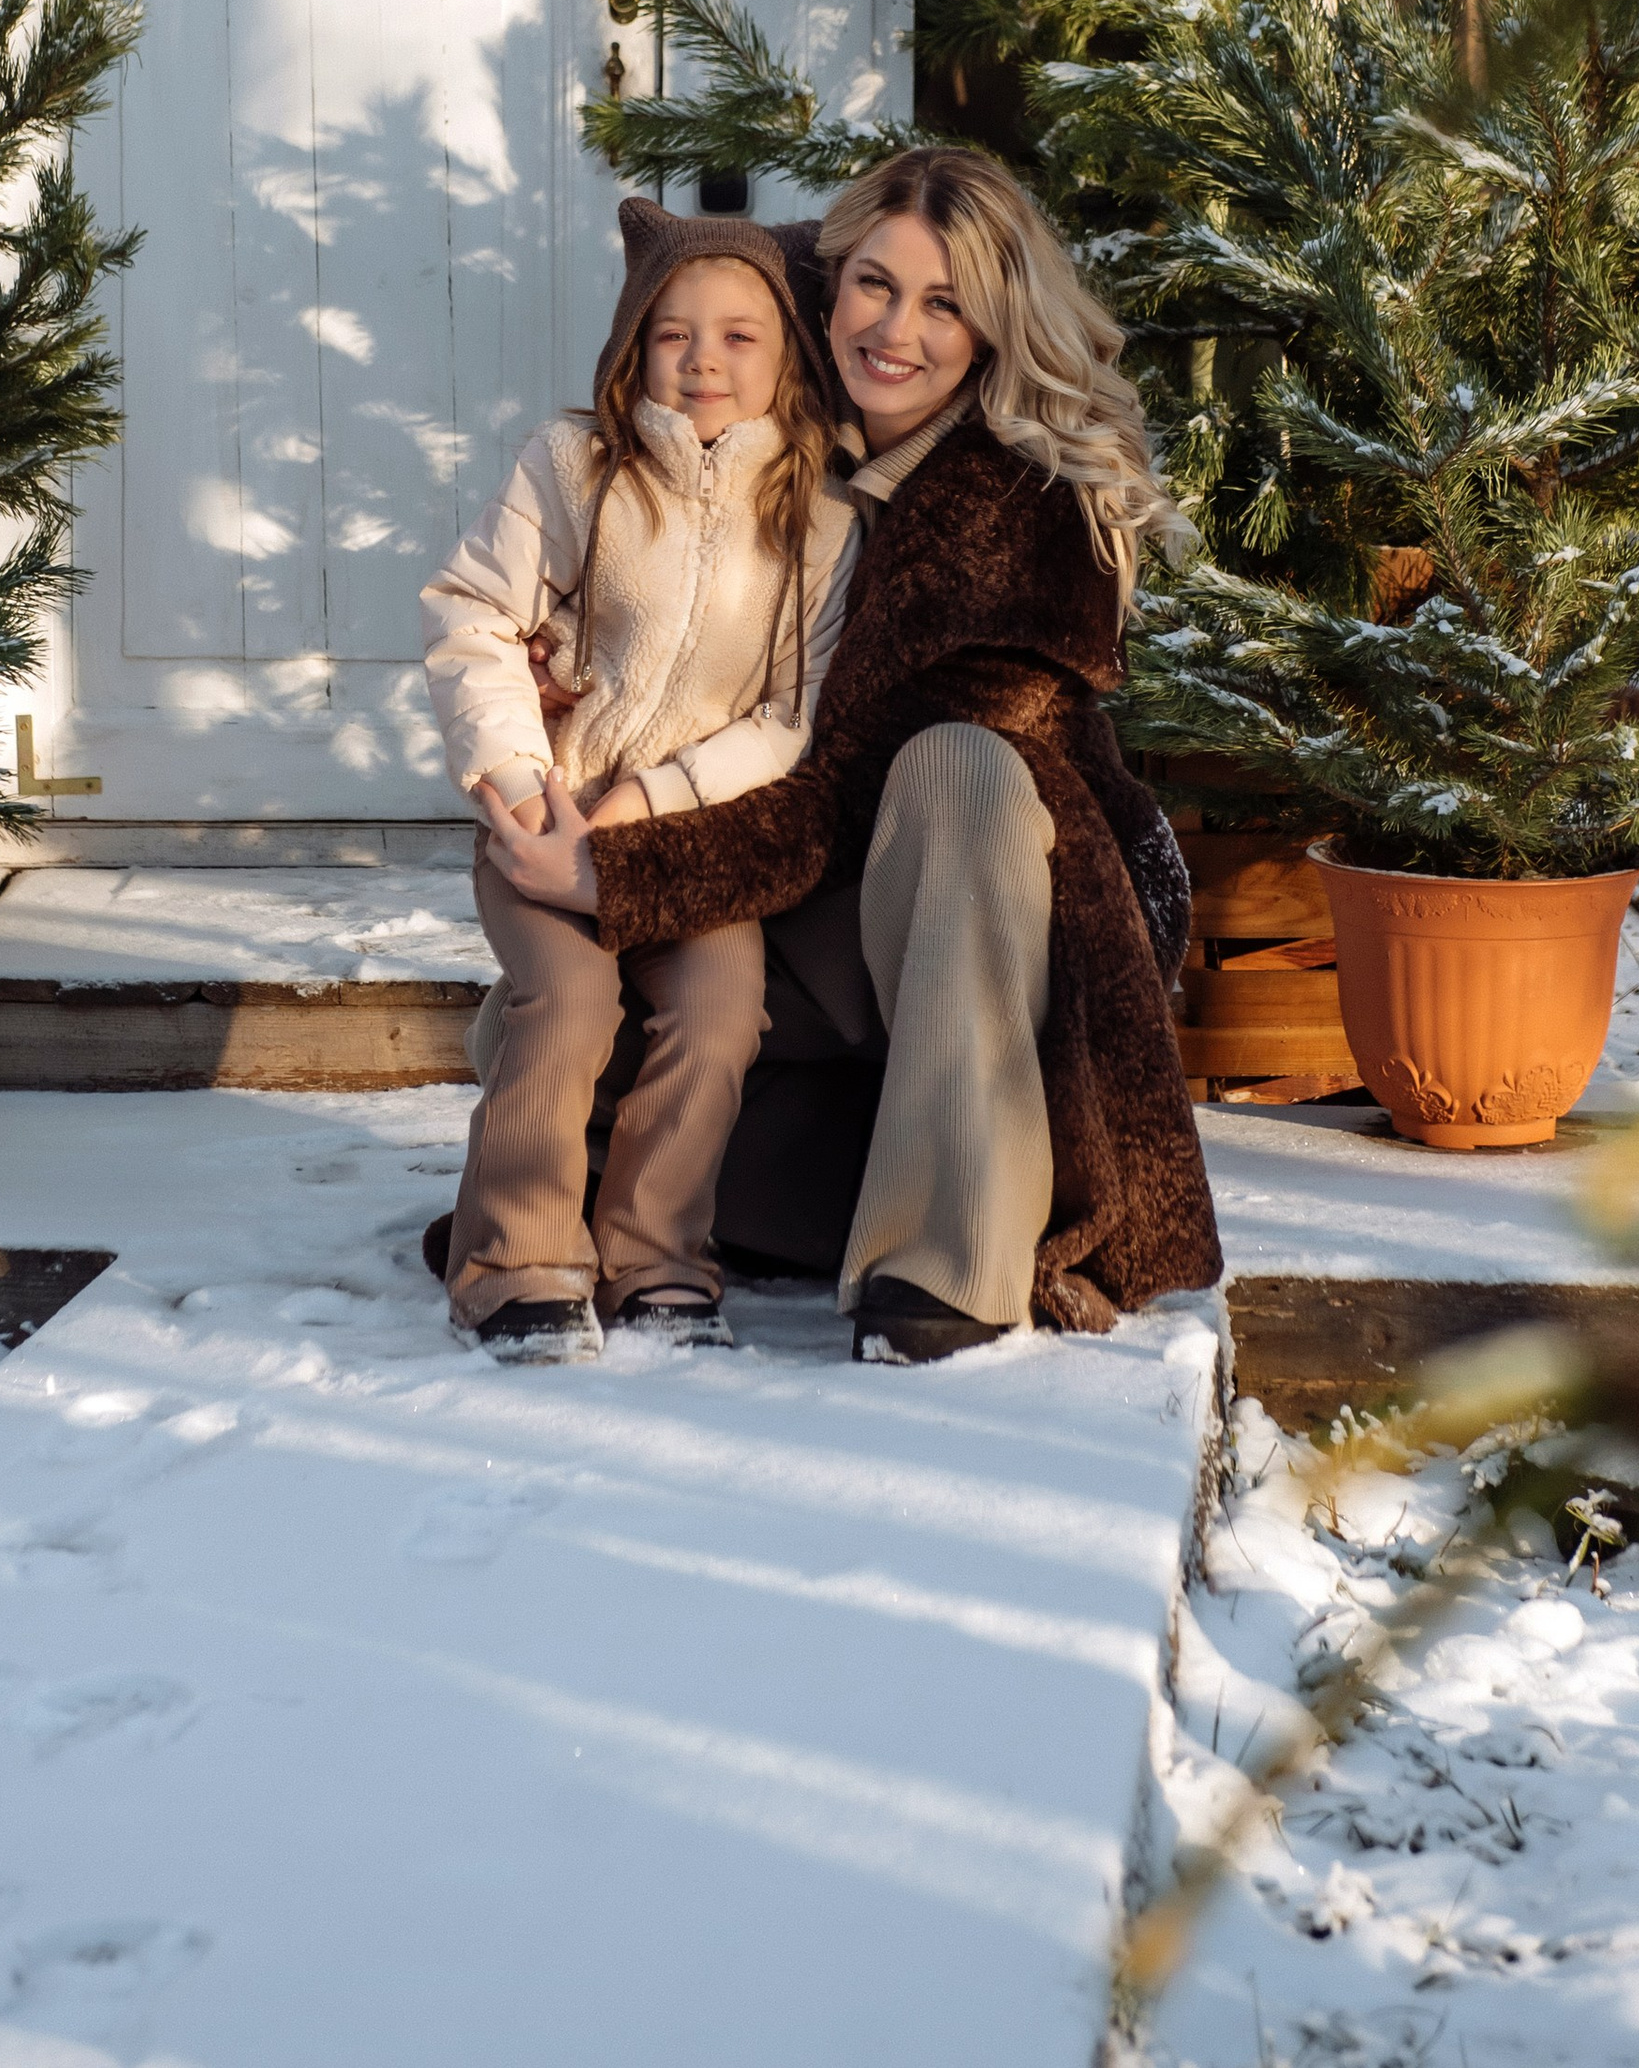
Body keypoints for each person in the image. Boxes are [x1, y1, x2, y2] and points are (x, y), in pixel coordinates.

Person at [474, 147, 1221, 1364]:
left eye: (944, 304)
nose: (895, 330)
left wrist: (618, 872)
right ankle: (646, 1213)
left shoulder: (1018, 511)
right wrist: (572, 648)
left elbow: (841, 793)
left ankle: (947, 1260)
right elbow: (634, 499)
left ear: (991, 328)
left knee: (956, 763)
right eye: (874, 285)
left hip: (946, 926)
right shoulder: (764, 392)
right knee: (538, 1021)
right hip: (788, 934)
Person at [422, 200, 859, 1360]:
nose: (703, 359)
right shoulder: (576, 467)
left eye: (738, 336)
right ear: (631, 346)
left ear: (788, 357)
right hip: (547, 816)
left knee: (717, 1016)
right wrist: (522, 780)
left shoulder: (818, 514)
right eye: (673, 333)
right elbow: (473, 611)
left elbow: (790, 715)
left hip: (688, 842)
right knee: (567, 1003)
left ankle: (655, 1259)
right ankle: (515, 1264)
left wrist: (654, 805)